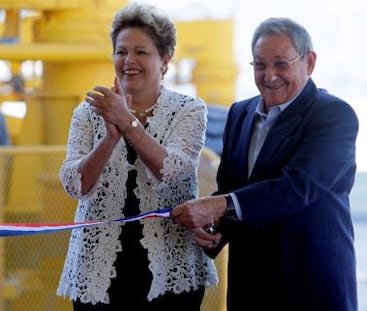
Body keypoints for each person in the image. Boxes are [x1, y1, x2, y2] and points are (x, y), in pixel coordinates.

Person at [171, 17, 359, 311]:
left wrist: (217, 205)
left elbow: (298, 186)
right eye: (260, 65)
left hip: (310, 284)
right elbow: (232, 188)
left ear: (308, 62)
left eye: (281, 64)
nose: (269, 75)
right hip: (250, 286)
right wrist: (215, 231)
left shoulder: (334, 115)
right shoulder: (240, 113)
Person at [57, 3, 218, 311]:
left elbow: (171, 171)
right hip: (98, 274)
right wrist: (109, 138)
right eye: (121, 51)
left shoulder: (189, 109)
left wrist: (128, 123)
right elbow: (74, 184)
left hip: (170, 273)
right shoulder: (88, 113)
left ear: (165, 59)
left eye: (141, 52)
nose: (129, 60)